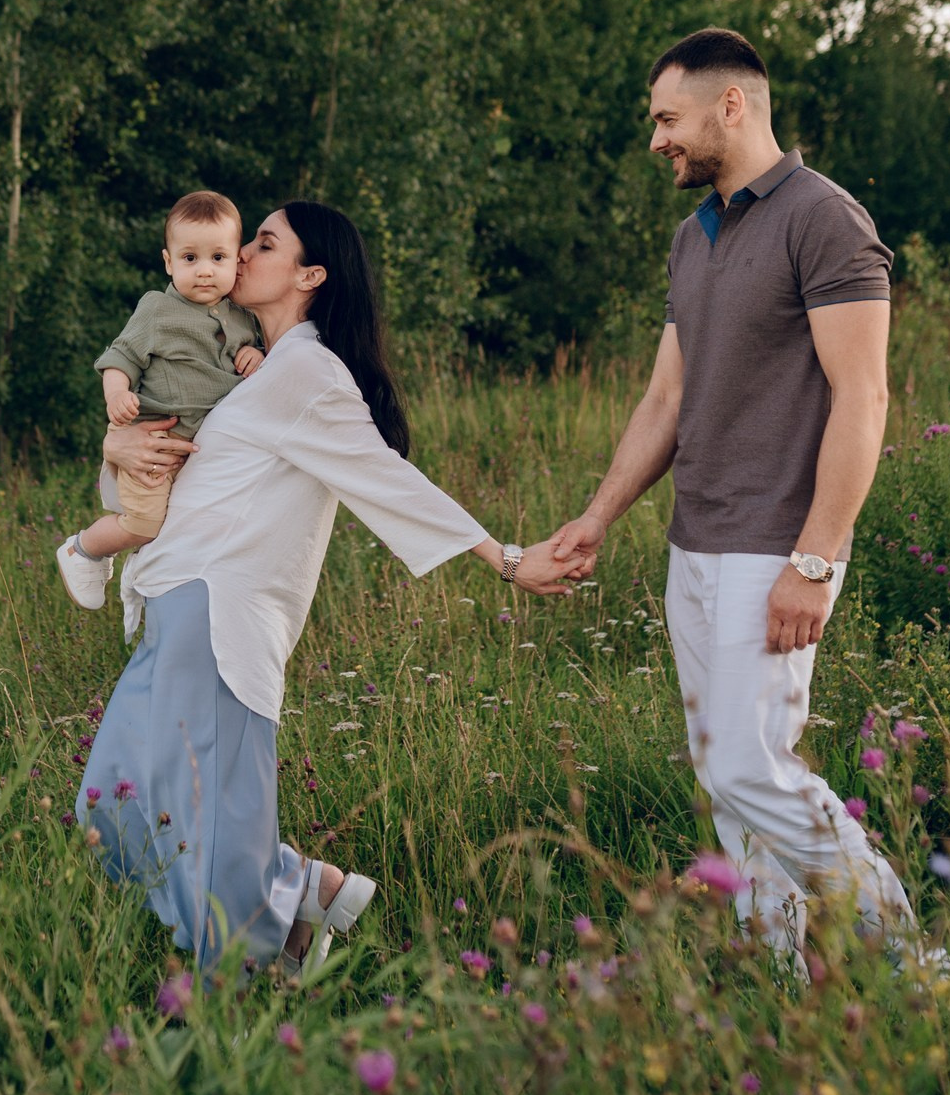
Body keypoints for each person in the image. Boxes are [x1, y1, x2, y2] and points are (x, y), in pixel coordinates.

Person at [80, 201, 580, 976]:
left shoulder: (309, 371)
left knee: (212, 824)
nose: (241, 252)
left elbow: (386, 476)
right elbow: (160, 444)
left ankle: (241, 996)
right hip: (172, 605)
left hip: (220, 616)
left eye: (263, 242)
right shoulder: (245, 366)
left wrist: (507, 559)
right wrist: (116, 436)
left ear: (310, 275)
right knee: (110, 809)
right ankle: (300, 889)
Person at [542, 27, 924, 961]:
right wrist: (597, 516)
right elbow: (667, 397)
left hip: (777, 547)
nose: (656, 140)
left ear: (731, 105)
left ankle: (908, 963)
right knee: (727, 779)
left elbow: (864, 397)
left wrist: (816, 558)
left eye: (666, 119)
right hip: (696, 544)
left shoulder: (825, 219)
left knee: (753, 767)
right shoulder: (694, 234)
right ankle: (787, 968)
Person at [55, 191, 264, 609]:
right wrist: (117, 394)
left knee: (181, 528)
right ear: (168, 262)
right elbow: (121, 357)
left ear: (236, 261)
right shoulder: (157, 310)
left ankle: (155, 584)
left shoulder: (245, 317)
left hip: (191, 452)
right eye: (190, 259)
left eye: (218, 258)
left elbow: (262, 362)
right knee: (147, 523)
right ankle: (85, 549)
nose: (205, 271)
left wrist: (257, 354)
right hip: (149, 438)